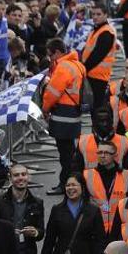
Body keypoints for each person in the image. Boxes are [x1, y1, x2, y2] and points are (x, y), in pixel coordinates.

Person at [42, 39, 87, 196]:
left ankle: (65, 184)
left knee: (65, 154)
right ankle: (75, 181)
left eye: (51, 55)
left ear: (57, 52)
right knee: (70, 151)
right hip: (74, 113)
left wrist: (45, 109)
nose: (50, 58)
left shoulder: (63, 67)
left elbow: (52, 93)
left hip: (63, 115)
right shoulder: (78, 65)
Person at [40, 173, 106, 254]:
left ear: (82, 187)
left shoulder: (93, 210)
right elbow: (49, 240)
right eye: (68, 185)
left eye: (74, 185)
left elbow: (100, 240)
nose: (70, 188)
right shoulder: (57, 210)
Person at [84, 141, 128, 236]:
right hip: (95, 227)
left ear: (115, 155)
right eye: (100, 152)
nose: (102, 156)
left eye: (106, 153)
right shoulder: (87, 175)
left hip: (120, 228)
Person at [0, 164, 45, 254]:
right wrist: (8, 233)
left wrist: (35, 232)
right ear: (10, 179)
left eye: (23, 174)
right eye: (16, 175)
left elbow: (41, 232)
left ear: (28, 177)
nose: (20, 178)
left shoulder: (37, 203)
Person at [81, 2, 117, 112]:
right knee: (94, 107)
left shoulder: (106, 32)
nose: (95, 17)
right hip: (92, 74)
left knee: (97, 109)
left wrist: (83, 69)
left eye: (98, 14)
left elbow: (97, 56)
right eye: (93, 14)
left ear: (106, 15)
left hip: (98, 76)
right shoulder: (97, 30)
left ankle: (97, 129)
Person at [74, 106, 128, 171]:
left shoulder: (125, 142)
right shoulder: (83, 142)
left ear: (112, 121)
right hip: (91, 180)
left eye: (107, 121)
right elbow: (76, 169)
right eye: (101, 121)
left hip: (116, 179)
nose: (105, 124)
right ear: (94, 123)